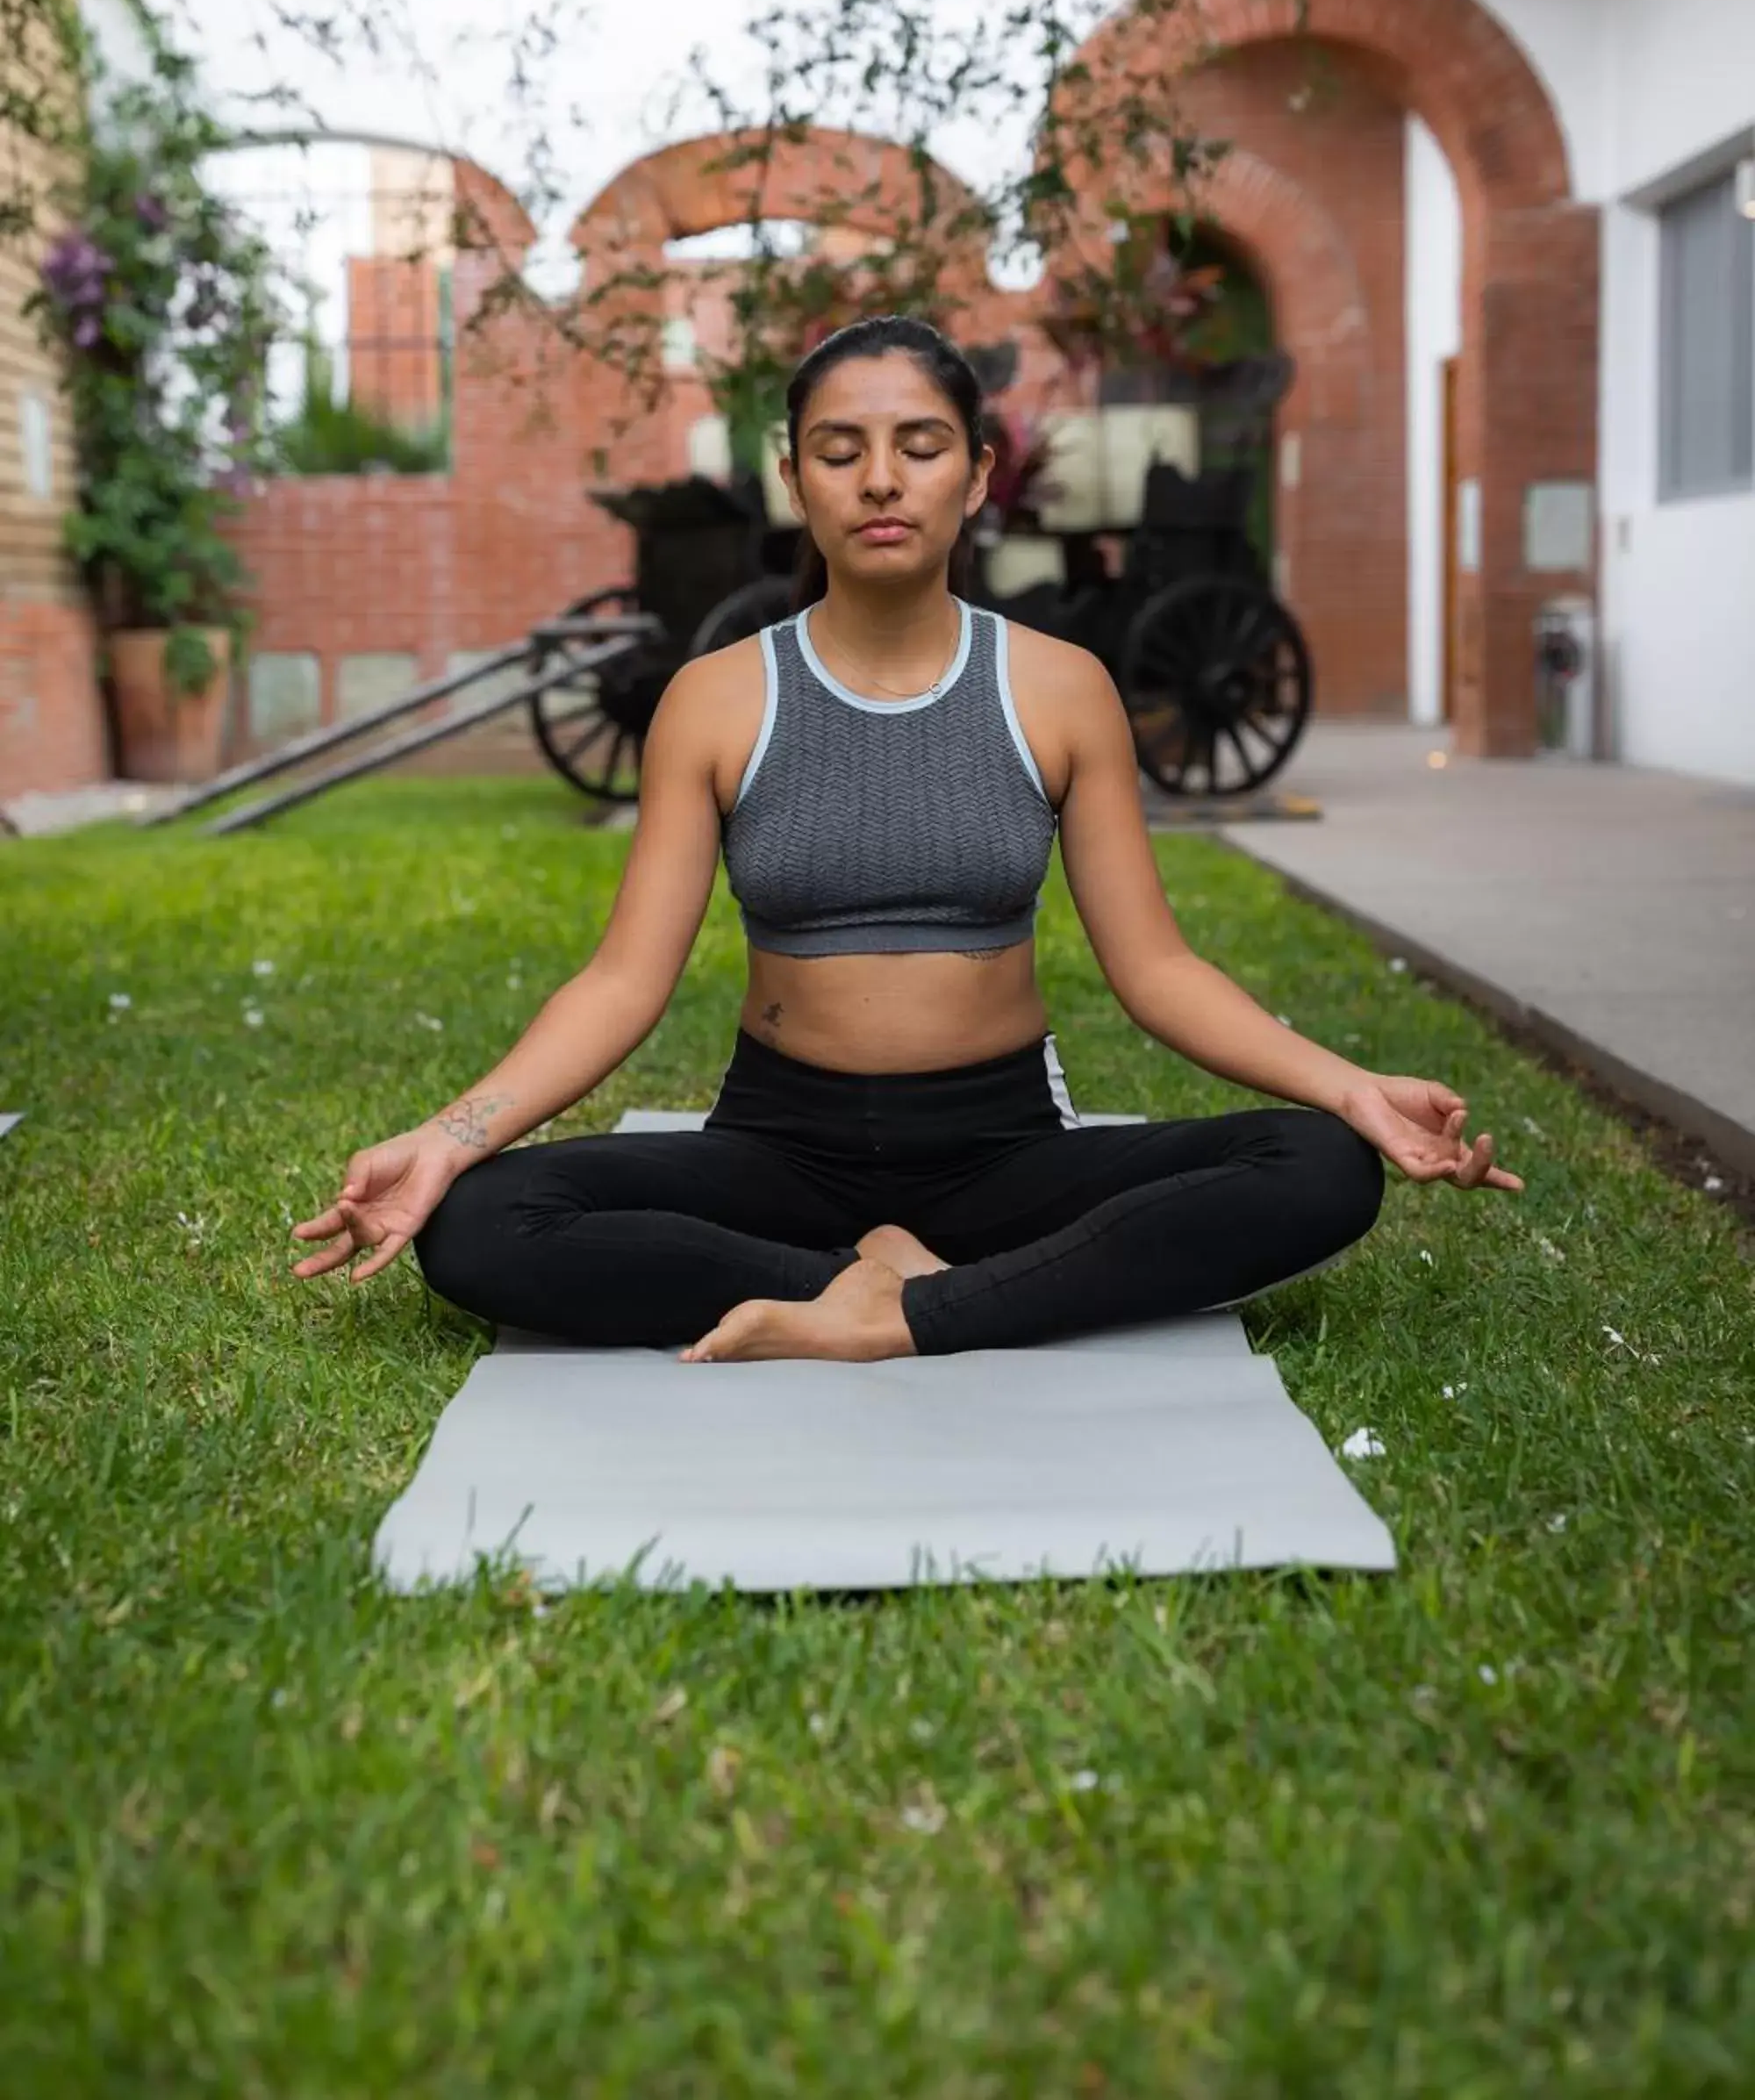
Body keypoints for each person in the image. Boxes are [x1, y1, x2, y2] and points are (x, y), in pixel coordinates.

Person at [291, 314, 1522, 1361]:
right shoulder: (715, 699)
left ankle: (896, 1309)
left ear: (975, 475)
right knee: (479, 1223)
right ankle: (887, 1272)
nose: (881, 478)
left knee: (1317, 1169)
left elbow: (1158, 974)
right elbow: (623, 982)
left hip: (1003, 1154)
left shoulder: (1061, 688)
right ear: (798, 480)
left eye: (919, 445)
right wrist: (450, 1138)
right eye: (843, 450)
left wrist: (1351, 1090)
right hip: (780, 1149)